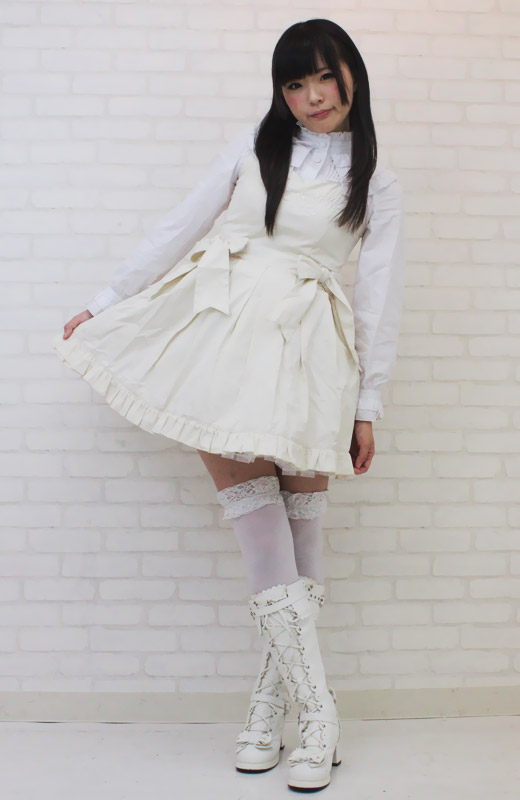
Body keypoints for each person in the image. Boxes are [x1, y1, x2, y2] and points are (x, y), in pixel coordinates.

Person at [52, 18, 405, 793]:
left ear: (352, 74)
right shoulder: (254, 144)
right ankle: (318, 713)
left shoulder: (375, 179)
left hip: (309, 350)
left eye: (326, 77)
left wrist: (368, 403)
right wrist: (107, 299)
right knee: (259, 529)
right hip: (219, 334)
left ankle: (272, 708)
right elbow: (180, 225)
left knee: (303, 535)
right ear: (281, 92)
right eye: (295, 83)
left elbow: (380, 298)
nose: (314, 96)